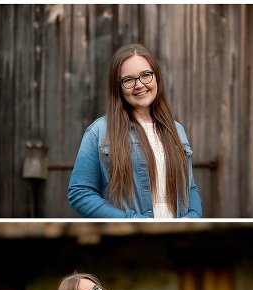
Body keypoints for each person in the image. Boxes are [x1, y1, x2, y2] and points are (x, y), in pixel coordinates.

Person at [68, 43, 202, 218]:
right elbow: (80, 193)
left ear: (156, 77)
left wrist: (194, 217)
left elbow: (189, 186)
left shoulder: (176, 130)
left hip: (176, 239)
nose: (139, 85)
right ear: (118, 86)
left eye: (146, 75)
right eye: (128, 80)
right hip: (130, 240)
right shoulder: (99, 132)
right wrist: (130, 221)